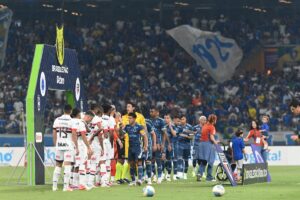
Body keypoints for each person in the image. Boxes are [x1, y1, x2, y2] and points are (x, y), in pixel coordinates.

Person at [120, 102, 147, 183]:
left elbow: (144, 136)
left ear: (134, 119)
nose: (129, 120)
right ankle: (134, 180)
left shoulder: (139, 126)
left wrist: (145, 146)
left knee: (139, 162)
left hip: (138, 147)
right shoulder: (127, 127)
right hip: (130, 147)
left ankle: (140, 179)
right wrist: (121, 128)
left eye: (130, 118)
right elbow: (122, 135)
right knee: (131, 163)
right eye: (128, 118)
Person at [71, 108, 94, 190]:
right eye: (90, 119)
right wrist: (88, 147)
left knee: (75, 164)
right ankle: (82, 184)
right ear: (88, 117)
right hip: (80, 144)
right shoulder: (81, 123)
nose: (90, 121)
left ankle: (74, 184)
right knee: (82, 163)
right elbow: (83, 136)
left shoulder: (72, 121)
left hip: (72, 144)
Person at [198, 114, 218, 182]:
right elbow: (212, 138)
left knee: (203, 161)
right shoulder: (212, 127)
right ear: (214, 120)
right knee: (211, 161)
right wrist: (216, 143)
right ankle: (209, 177)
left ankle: (199, 173)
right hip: (208, 145)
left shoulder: (205, 125)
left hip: (201, 144)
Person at [150, 107, 166, 184]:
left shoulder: (161, 121)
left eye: (152, 111)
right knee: (151, 160)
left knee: (158, 160)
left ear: (157, 112)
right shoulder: (149, 121)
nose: (151, 113)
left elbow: (164, 133)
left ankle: (159, 176)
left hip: (158, 143)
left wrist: (162, 144)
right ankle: (154, 175)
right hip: (150, 143)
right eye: (150, 111)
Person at [177, 115, 193, 180]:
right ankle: (180, 174)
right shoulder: (178, 127)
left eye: (183, 119)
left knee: (186, 160)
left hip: (187, 145)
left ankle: (185, 174)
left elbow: (191, 137)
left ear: (185, 120)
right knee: (180, 159)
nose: (182, 120)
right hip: (180, 145)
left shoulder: (189, 127)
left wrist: (185, 135)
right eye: (181, 119)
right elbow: (176, 135)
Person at [193, 116, 207, 181]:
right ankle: (200, 172)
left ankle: (200, 173)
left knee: (204, 160)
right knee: (199, 161)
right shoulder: (195, 127)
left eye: (205, 120)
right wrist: (192, 134)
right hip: (197, 146)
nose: (204, 121)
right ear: (200, 120)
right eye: (203, 120)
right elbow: (190, 135)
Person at [163, 114, 175, 181]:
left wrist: (170, 127)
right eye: (165, 118)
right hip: (164, 144)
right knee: (163, 159)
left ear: (170, 119)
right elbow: (163, 137)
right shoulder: (163, 126)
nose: (166, 119)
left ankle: (168, 174)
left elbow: (174, 134)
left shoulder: (173, 126)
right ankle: (163, 173)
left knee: (169, 159)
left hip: (170, 145)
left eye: (167, 118)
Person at [145, 118, 157, 184]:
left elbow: (153, 134)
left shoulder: (147, 124)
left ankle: (151, 176)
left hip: (148, 144)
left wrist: (154, 144)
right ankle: (148, 175)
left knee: (149, 160)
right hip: (140, 144)